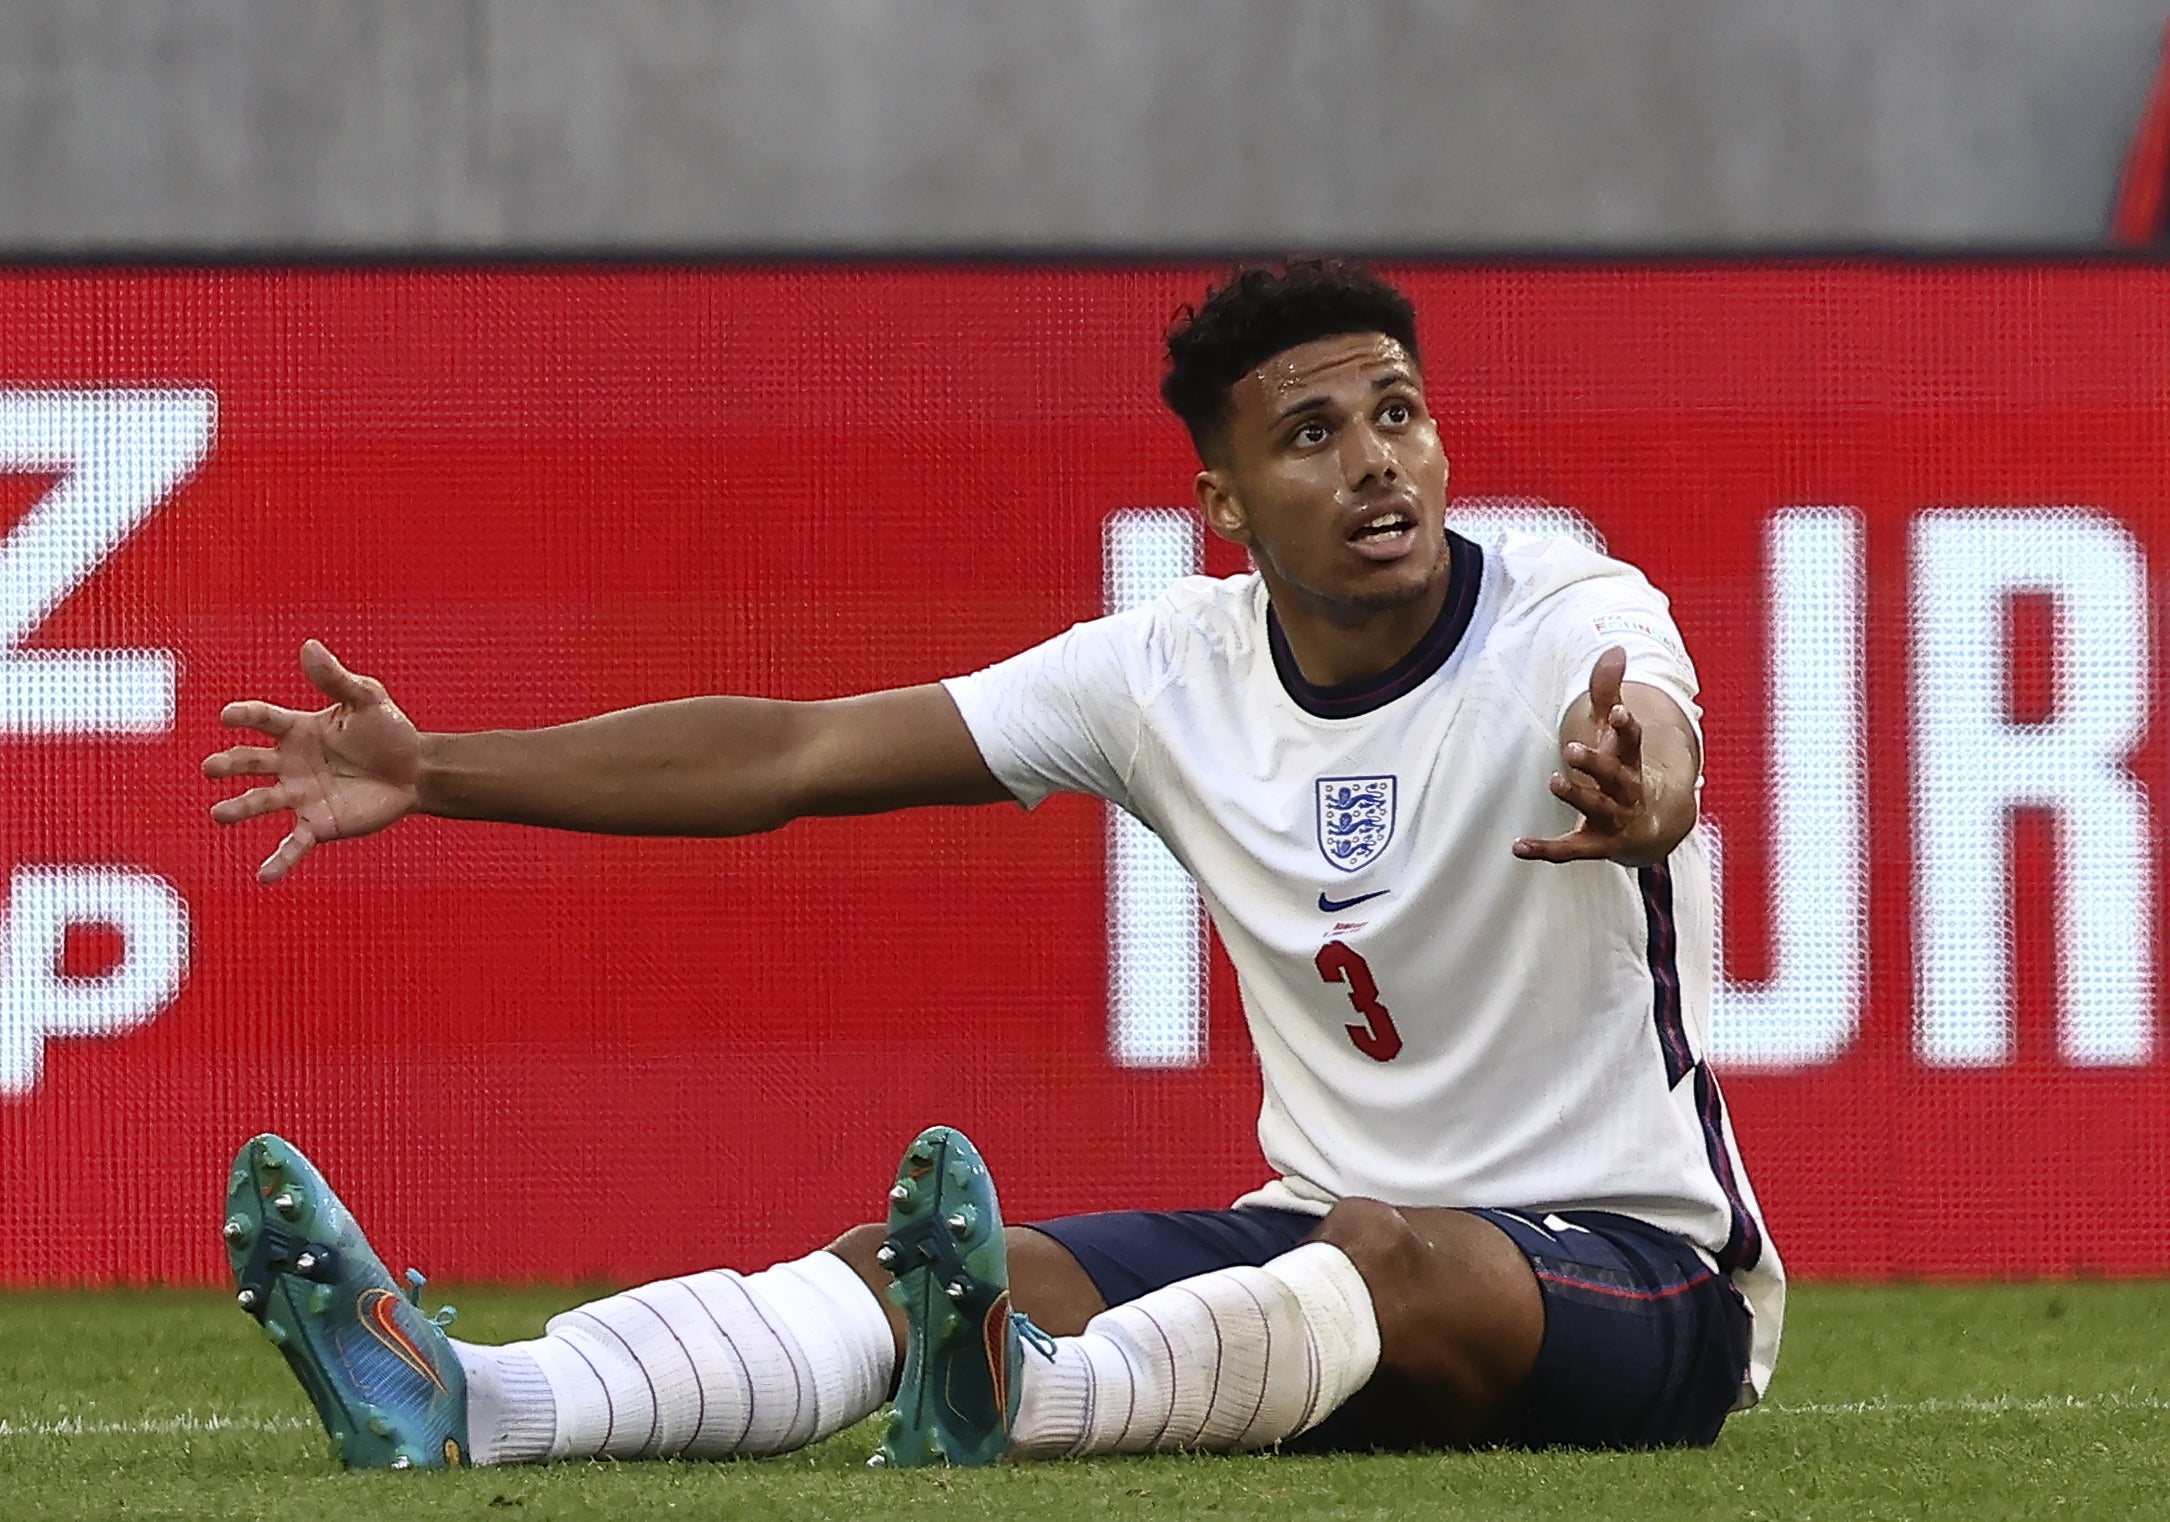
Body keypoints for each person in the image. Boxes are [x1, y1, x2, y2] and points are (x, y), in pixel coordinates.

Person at [205, 260, 1780, 1472]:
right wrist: (438, 772)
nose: (1378, 461)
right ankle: (474, 1399)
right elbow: (794, 752)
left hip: (1638, 1277)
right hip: (1317, 1237)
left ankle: (1031, 1395)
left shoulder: (1567, 609)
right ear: (1222, 503)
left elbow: (1655, 725)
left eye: (1396, 412)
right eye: (1314, 433)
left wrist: (1645, 780)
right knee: (911, 1264)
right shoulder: (1164, 670)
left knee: (1383, 1252)